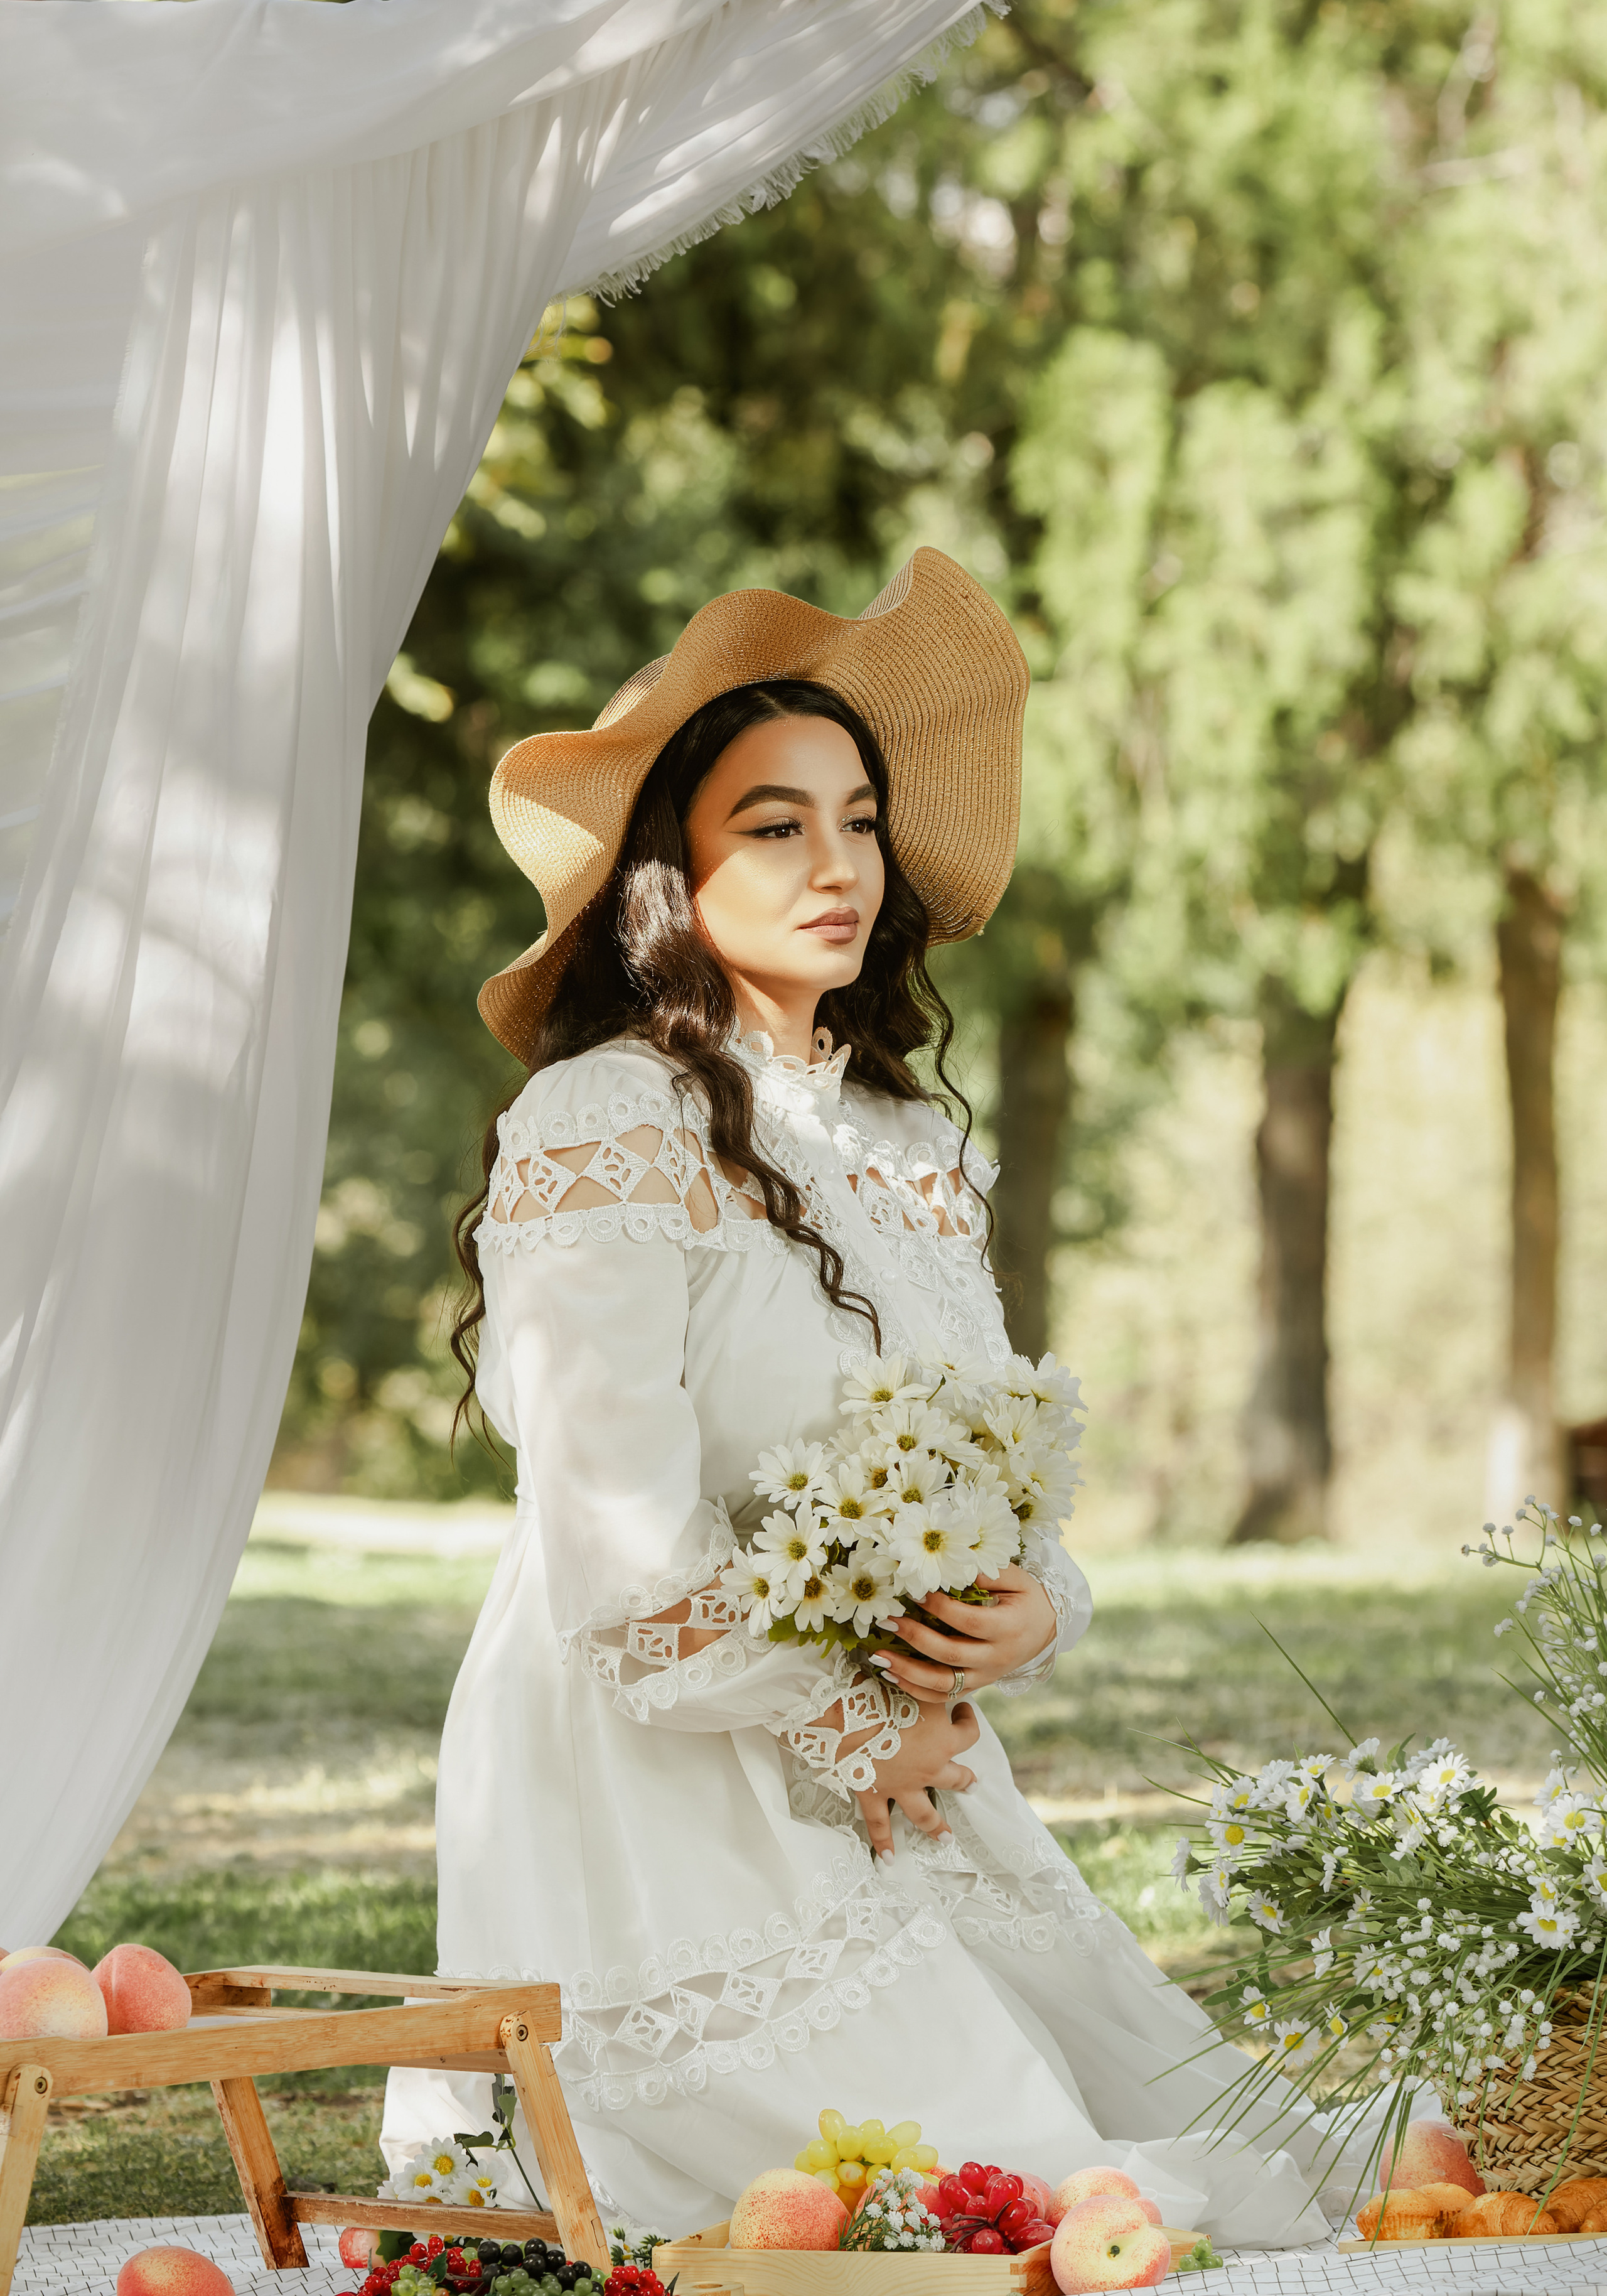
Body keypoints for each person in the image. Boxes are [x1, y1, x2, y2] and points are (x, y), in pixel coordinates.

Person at [380, 550, 1350, 2248]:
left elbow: (1000, 1472)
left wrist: (1029, 1609)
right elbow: (619, 1551)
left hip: (915, 1762)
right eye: (774, 825)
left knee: (1178, 2142)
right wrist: (855, 1723)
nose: (837, 864)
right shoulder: (603, 1120)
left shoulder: (910, 1139)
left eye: (860, 819)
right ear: (670, 870)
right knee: (1016, 2187)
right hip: (647, 1770)